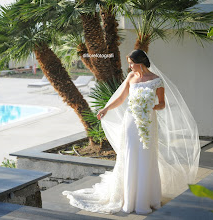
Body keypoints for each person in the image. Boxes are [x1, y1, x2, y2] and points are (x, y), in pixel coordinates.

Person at [63, 49, 200, 215]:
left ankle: (145, 198)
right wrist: (106, 109)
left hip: (148, 123)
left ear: (140, 62)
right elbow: (121, 98)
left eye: (131, 63)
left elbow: (162, 104)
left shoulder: (157, 81)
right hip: (130, 122)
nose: (129, 67)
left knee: (146, 156)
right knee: (129, 154)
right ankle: (128, 197)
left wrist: (150, 107)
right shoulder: (131, 78)